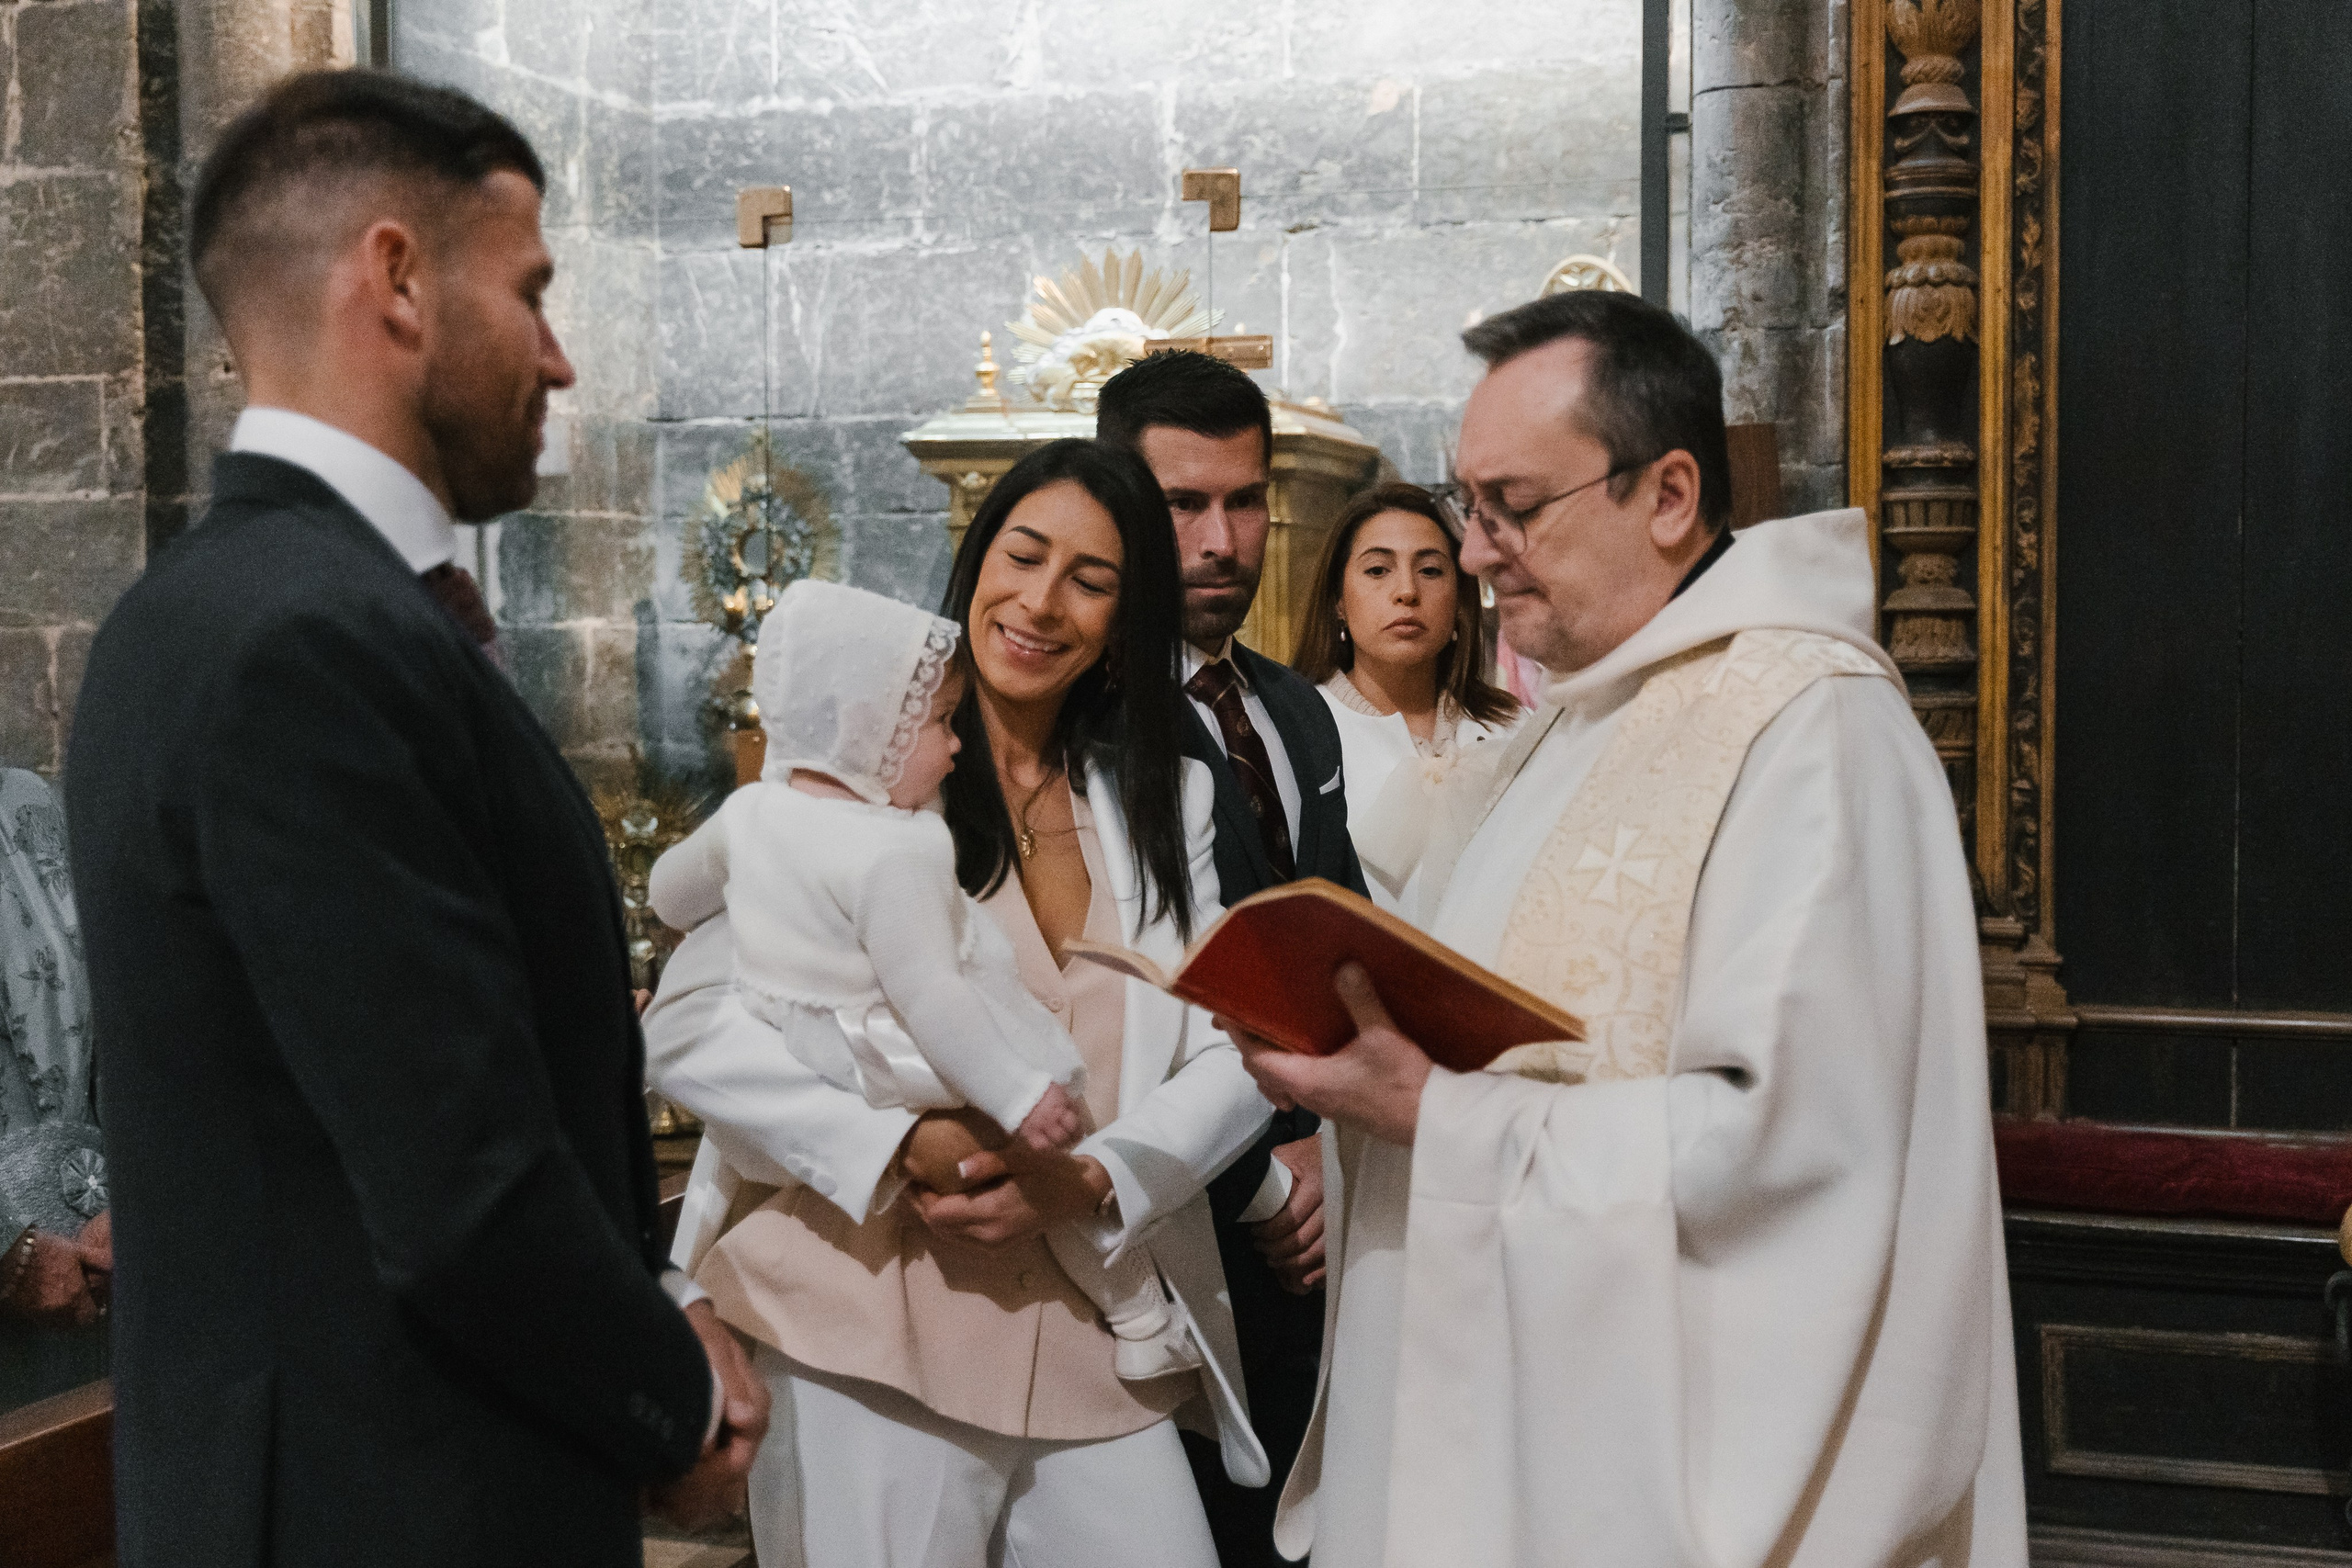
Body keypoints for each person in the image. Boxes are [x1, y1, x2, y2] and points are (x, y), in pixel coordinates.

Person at [62, 71, 765, 1568]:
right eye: (531, 289)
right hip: (382, 1502)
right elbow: (454, 1176)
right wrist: (670, 1393)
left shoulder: (212, 610)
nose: (560, 358)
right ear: (395, 277)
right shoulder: (307, 640)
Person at [1235, 290, 2027, 1566]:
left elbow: (1800, 1149)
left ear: (1666, 494)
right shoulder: (1562, 723)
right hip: (1476, 1422)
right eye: (1466, 503)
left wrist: (1436, 1117)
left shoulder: (1810, 729)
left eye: (1514, 505)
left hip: (1639, 1480)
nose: (1478, 551)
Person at [648, 438, 1271, 1568]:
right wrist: (900, 1144)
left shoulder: (1164, 796)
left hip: (1092, 1306)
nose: (1040, 602)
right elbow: (686, 1027)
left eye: (1089, 580)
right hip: (866, 1302)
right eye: (1021, 557)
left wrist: (1095, 1174)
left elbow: (1232, 1048)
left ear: (1125, 617)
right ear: (975, 564)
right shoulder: (862, 766)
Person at [648, 577, 1198, 1381]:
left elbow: (669, 893)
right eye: (939, 722)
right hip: (914, 1044)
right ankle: (1141, 1314)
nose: (954, 745)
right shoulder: (898, 848)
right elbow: (930, 993)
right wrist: (1018, 1092)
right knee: (1046, 1156)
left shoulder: (751, 815)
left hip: (808, 1035)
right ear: (872, 732)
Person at [1093, 350, 1360, 1568]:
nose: (1221, 538)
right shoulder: (1081, 719)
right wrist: (1265, 1162)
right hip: (1163, 1212)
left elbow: (1332, 939)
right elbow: (1123, 987)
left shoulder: (1296, 709)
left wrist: (1328, 1144)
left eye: (1244, 500)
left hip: (1321, 1197)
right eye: (1181, 504)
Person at [1288, 481, 1522, 911]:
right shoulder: (1297, 734)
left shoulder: (1515, 731)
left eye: (1430, 570)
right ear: (1338, 600)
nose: (1407, 592)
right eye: (1378, 570)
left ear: (1459, 597)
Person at [0, 766, 111, 1414]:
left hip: (99, 1274)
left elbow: (124, 1012)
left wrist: (126, 1196)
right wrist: (11, 1249)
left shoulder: (32, 800)